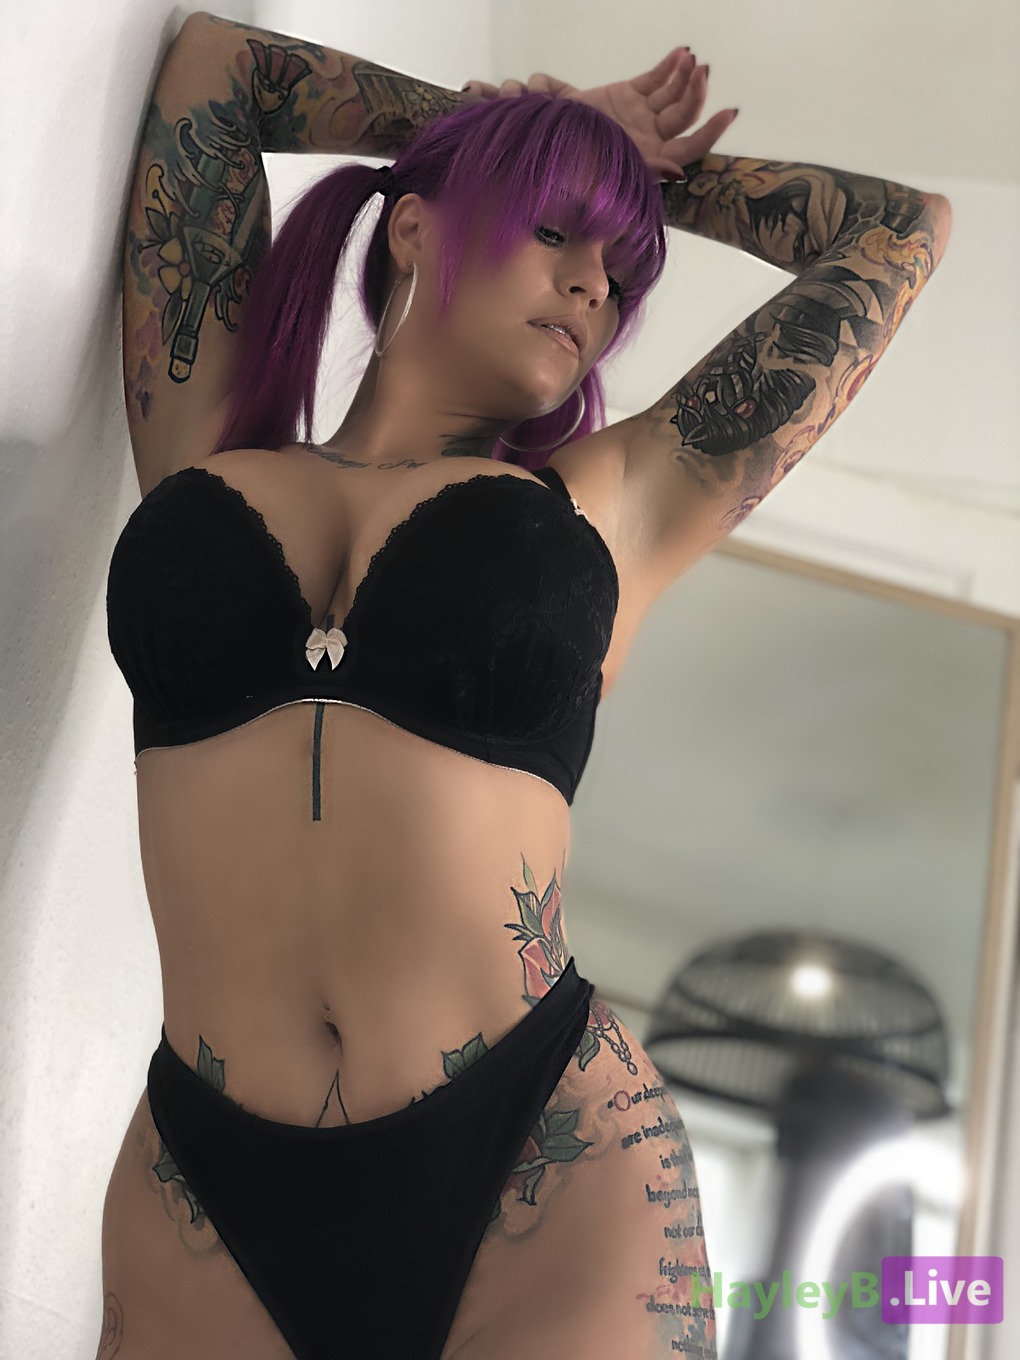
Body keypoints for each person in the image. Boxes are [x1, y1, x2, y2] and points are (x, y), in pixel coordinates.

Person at [98, 10, 950, 1360]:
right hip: (206, 1174)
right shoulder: (210, 440)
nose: (594, 286)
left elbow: (900, 231)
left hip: (539, 1161)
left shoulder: (610, 501)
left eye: (619, 269)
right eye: (555, 231)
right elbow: (219, 67)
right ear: (412, 227)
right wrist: (506, 130)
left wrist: (605, 171)